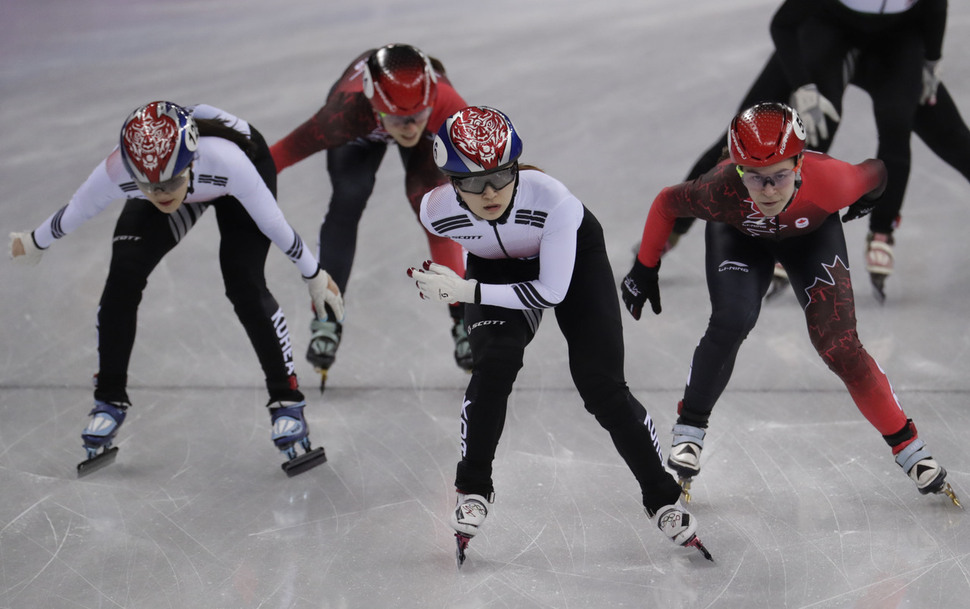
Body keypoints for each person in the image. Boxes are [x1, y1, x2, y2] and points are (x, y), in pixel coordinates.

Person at [406, 106, 713, 567]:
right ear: (451, 182)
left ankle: (663, 496)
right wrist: (460, 282)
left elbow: (551, 290)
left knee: (601, 385)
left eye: (500, 176)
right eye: (472, 182)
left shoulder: (553, 201)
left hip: (571, 259)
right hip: (494, 266)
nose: (489, 192)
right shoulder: (435, 212)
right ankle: (472, 487)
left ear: (515, 168)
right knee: (493, 365)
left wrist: (464, 289)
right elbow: (454, 246)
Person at [621, 102, 959, 507]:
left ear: (800, 163)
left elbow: (878, 172)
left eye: (780, 176)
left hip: (811, 237)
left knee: (839, 346)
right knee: (732, 318)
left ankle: (908, 447)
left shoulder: (834, 179)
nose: (768, 191)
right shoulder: (720, 188)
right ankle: (691, 428)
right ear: (737, 169)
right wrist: (645, 268)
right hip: (740, 239)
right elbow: (666, 203)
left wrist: (872, 200)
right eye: (756, 178)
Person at [9, 101, 344, 477]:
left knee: (243, 280)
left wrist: (313, 274)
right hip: (191, 178)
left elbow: (273, 224)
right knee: (123, 276)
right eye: (148, 186)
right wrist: (35, 242)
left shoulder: (228, 162)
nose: (160, 194)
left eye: (169, 183)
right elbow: (76, 210)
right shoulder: (121, 171)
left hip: (237, 181)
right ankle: (108, 400)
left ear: (190, 162)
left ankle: (286, 399)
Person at [663, 0, 955, 303]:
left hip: (898, 44)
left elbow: (936, 6)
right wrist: (803, 85)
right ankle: (678, 227)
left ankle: (881, 231)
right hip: (829, 33)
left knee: (926, 131)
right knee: (751, 135)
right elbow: (782, 23)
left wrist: (932, 58)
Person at [271, 43, 471, 387]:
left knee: (435, 209)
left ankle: (463, 317)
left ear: (433, 101)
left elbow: (490, 163)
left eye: (417, 116)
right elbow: (279, 156)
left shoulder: (447, 105)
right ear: (375, 106)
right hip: (359, 130)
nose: (408, 128)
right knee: (349, 197)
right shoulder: (345, 112)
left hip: (415, 123)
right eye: (397, 119)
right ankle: (327, 318)